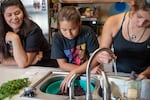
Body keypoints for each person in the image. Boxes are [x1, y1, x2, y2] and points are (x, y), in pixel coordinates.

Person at [97, 0, 150, 80]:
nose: (141, 23)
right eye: (139, 16)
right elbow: (101, 52)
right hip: (119, 78)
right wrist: (103, 55)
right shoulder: (112, 22)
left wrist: (145, 74)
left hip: (146, 79)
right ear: (133, 7)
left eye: (148, 21)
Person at [51, 6, 99, 93]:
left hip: (88, 73)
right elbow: (62, 65)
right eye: (64, 30)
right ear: (59, 26)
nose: (69, 34)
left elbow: (95, 59)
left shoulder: (88, 32)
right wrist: (87, 69)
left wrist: (75, 71)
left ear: (79, 23)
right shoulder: (57, 38)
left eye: (73, 29)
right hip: (83, 70)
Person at [0, 0, 58, 68]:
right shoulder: (2, 30)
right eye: (9, 15)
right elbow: (2, 60)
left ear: (23, 12)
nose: (14, 18)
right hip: (23, 69)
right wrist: (28, 62)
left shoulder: (33, 30)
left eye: (17, 13)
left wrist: (15, 38)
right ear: (3, 16)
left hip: (44, 67)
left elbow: (23, 63)